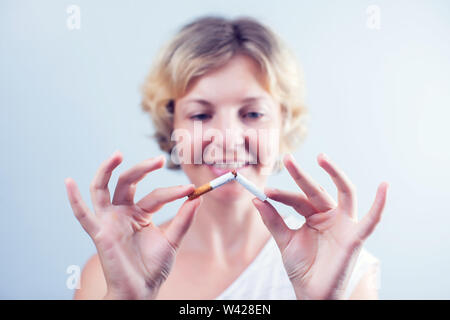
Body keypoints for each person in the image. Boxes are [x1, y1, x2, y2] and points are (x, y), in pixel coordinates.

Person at [64, 16, 389, 300]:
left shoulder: (344, 269)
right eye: (202, 115)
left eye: (252, 113)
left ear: (283, 124)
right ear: (171, 125)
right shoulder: (108, 274)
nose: (229, 137)